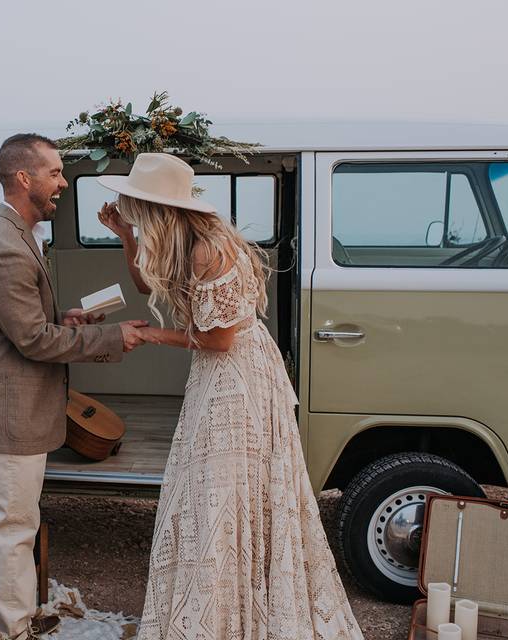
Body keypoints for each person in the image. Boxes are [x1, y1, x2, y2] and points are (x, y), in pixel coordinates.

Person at [97, 153, 364, 640]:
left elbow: (220, 340)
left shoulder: (206, 249)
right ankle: (218, 615)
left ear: (156, 206)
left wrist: (153, 337)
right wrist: (125, 236)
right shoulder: (182, 242)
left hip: (236, 376)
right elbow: (145, 280)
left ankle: (226, 620)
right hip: (215, 373)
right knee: (207, 491)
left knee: (221, 492)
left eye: (132, 203)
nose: (125, 205)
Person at [0, 133, 148, 639]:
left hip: (4, 407)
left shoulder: (14, 235)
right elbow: (33, 343)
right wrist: (112, 336)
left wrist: (65, 318)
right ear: (25, 178)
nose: (63, 182)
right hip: (7, 411)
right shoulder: (6, 249)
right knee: (13, 527)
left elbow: (25, 325)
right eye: (57, 172)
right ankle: (10, 628)